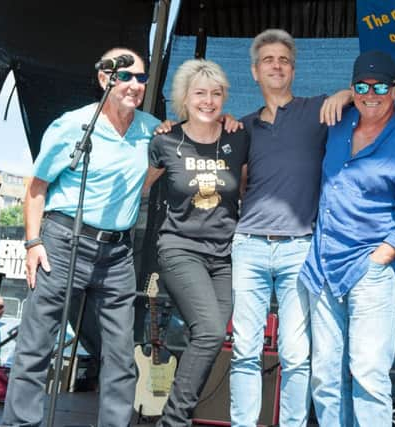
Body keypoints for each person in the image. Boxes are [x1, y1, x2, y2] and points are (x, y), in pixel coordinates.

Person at [2, 47, 160, 427]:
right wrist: (32, 242)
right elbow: (36, 187)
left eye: (141, 78)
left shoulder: (152, 129)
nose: (136, 85)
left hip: (116, 251)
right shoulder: (73, 126)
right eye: (126, 76)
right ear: (105, 79)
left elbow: (154, 174)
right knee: (37, 344)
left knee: (120, 354)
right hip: (62, 239)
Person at [298, 50, 395, 426]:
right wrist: (341, 95)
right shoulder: (337, 124)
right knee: (324, 378)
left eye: (380, 86)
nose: (370, 93)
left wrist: (380, 259)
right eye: (361, 85)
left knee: (368, 377)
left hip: (370, 274)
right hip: (322, 269)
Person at [229, 28, 351, 427]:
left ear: (293, 69)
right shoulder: (242, 127)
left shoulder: (317, 111)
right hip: (248, 247)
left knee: (296, 355)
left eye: (283, 59)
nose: (276, 66)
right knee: (245, 351)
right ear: (254, 72)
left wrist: (344, 94)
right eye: (268, 60)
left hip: (300, 248)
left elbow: (365, 94)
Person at [143, 58, 249, 426]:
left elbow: (246, 190)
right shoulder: (166, 141)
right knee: (208, 331)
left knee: (211, 338)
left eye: (216, 93)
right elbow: (139, 187)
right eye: (199, 93)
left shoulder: (238, 137)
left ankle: (174, 417)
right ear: (184, 99)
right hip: (180, 249)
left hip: (225, 255)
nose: (208, 101)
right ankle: (174, 421)